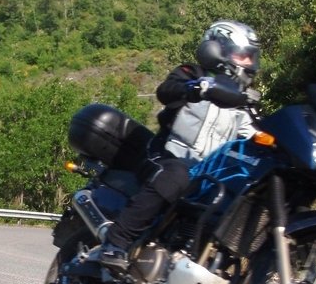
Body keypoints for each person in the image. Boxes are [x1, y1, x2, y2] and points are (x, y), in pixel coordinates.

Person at [99, 19, 261, 270]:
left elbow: (251, 136)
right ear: (218, 50)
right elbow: (166, 91)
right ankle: (116, 242)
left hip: (203, 173)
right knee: (176, 175)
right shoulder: (192, 74)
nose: (249, 63)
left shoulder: (243, 102)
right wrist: (196, 89)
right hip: (163, 157)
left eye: (252, 57)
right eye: (243, 55)